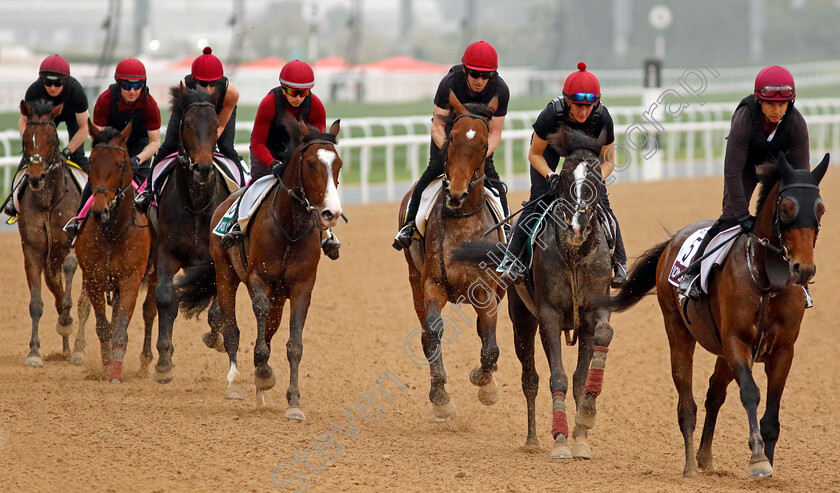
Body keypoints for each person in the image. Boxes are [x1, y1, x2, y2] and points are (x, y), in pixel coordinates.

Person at [679, 65, 810, 299]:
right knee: (729, 219)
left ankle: (801, 284)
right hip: (745, 168)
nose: (778, 110)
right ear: (759, 100)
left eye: (783, 104)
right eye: (771, 104)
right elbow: (732, 172)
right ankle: (694, 274)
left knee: (791, 219)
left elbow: (801, 175)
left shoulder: (797, 123)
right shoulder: (744, 119)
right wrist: (741, 216)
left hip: (781, 171)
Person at [497, 62, 627, 286]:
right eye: (577, 106)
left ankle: (620, 263)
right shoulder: (551, 115)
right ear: (567, 101)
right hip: (548, 154)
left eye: (589, 106)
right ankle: (511, 259)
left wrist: (594, 180)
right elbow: (534, 154)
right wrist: (551, 175)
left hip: (586, 159)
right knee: (538, 201)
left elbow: (608, 161)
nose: (583, 112)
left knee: (603, 205)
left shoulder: (603, 118)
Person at [392, 40, 510, 250]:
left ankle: (507, 232)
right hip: (449, 141)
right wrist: (450, 153)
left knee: (497, 187)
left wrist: (478, 156)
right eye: (475, 74)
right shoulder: (449, 84)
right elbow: (437, 126)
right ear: (465, 69)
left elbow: (495, 132)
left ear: (494, 75)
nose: (480, 80)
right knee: (427, 178)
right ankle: (409, 226)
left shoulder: (500, 90)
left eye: (486, 76)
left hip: (478, 144)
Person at [218, 60, 341, 260]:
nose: (299, 98)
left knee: (311, 192)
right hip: (267, 151)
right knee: (258, 186)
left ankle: (326, 234)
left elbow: (317, 144)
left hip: (298, 155)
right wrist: (272, 163)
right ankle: (236, 224)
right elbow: (258, 142)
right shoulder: (269, 103)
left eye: (304, 93)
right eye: (294, 93)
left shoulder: (316, 106)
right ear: (283, 89)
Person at [63, 58, 161, 239]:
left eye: (137, 84)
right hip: (110, 146)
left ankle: (156, 236)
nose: (132, 90)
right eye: (127, 85)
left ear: (143, 84)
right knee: (95, 184)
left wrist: (138, 158)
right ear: (119, 83)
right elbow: (98, 137)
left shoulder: (150, 105)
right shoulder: (105, 100)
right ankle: (78, 222)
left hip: (139, 147)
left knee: (150, 191)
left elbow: (155, 142)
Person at [134, 46, 240, 212]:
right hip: (189, 113)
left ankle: (241, 195)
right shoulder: (183, 88)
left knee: (227, 148)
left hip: (215, 120)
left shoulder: (231, 93)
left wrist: (205, 146)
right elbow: (183, 128)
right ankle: (148, 191)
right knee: (168, 145)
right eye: (204, 84)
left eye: (214, 83)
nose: (210, 89)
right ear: (194, 80)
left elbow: (217, 128)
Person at [4, 54, 89, 217]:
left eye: (58, 83)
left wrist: (67, 151)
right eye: (48, 82)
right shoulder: (34, 91)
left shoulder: (76, 92)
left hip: (73, 120)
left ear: (66, 81)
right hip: (43, 119)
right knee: (27, 162)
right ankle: (13, 200)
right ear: (41, 81)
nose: (52, 88)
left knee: (79, 158)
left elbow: (84, 128)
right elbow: (23, 121)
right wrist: (30, 146)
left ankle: (89, 201)